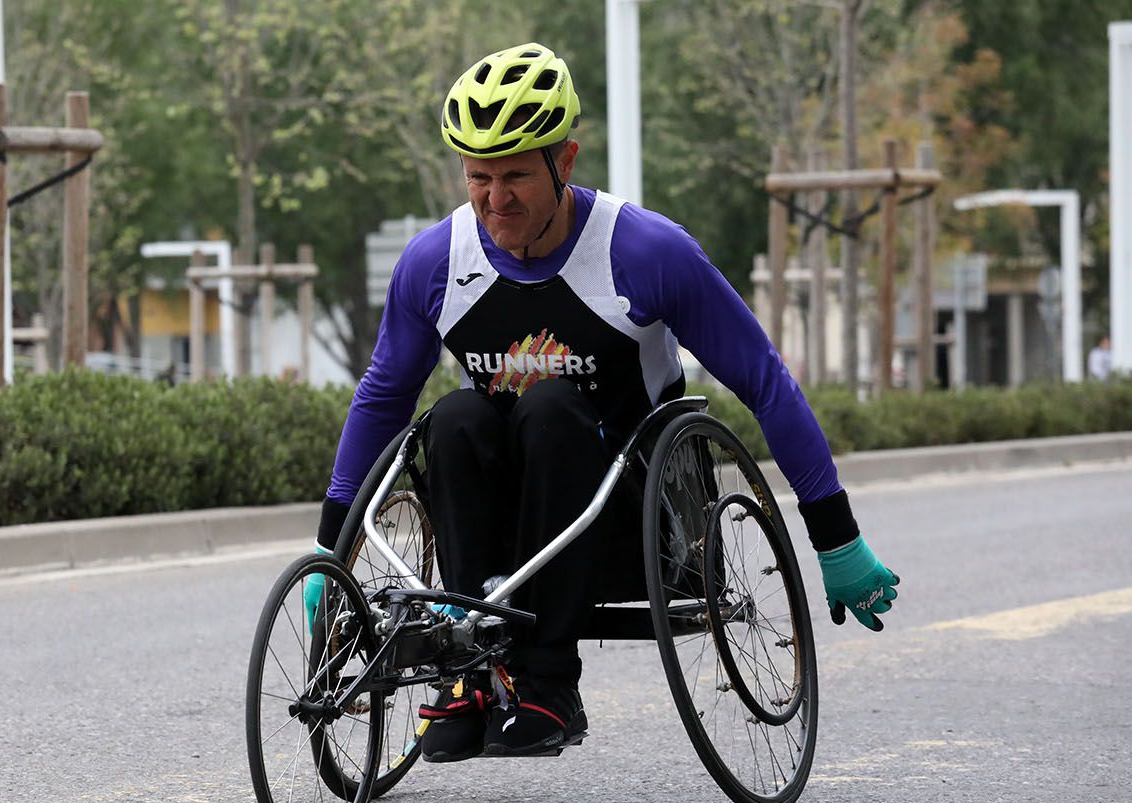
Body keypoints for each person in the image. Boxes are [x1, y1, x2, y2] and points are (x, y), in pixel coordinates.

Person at [310, 43, 900, 762]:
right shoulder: (434, 263)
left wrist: (834, 536)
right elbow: (382, 398)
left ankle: (548, 683)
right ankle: (470, 672)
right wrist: (329, 546)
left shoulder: (646, 252)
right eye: (479, 178)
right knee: (456, 418)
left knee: (552, 407)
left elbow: (763, 379)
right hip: (498, 524)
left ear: (567, 159)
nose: (496, 200)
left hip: (631, 513)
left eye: (517, 176)